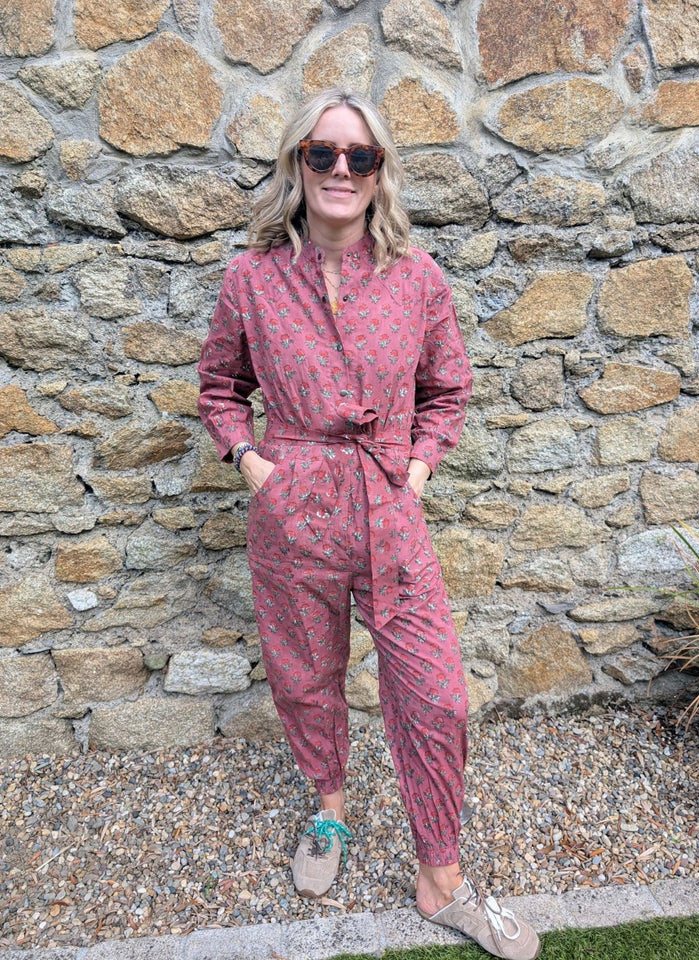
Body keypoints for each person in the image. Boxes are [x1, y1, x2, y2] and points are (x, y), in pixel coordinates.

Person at [197, 87, 540, 960]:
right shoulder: (252, 279)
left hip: (390, 503)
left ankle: (441, 876)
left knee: (436, 694)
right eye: (323, 154)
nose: (341, 170)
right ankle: (331, 808)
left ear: (380, 173)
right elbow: (219, 390)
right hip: (294, 505)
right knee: (306, 675)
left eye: (360, 156)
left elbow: (449, 388)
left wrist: (418, 470)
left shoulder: (418, 279)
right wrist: (255, 466)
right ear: (297, 165)